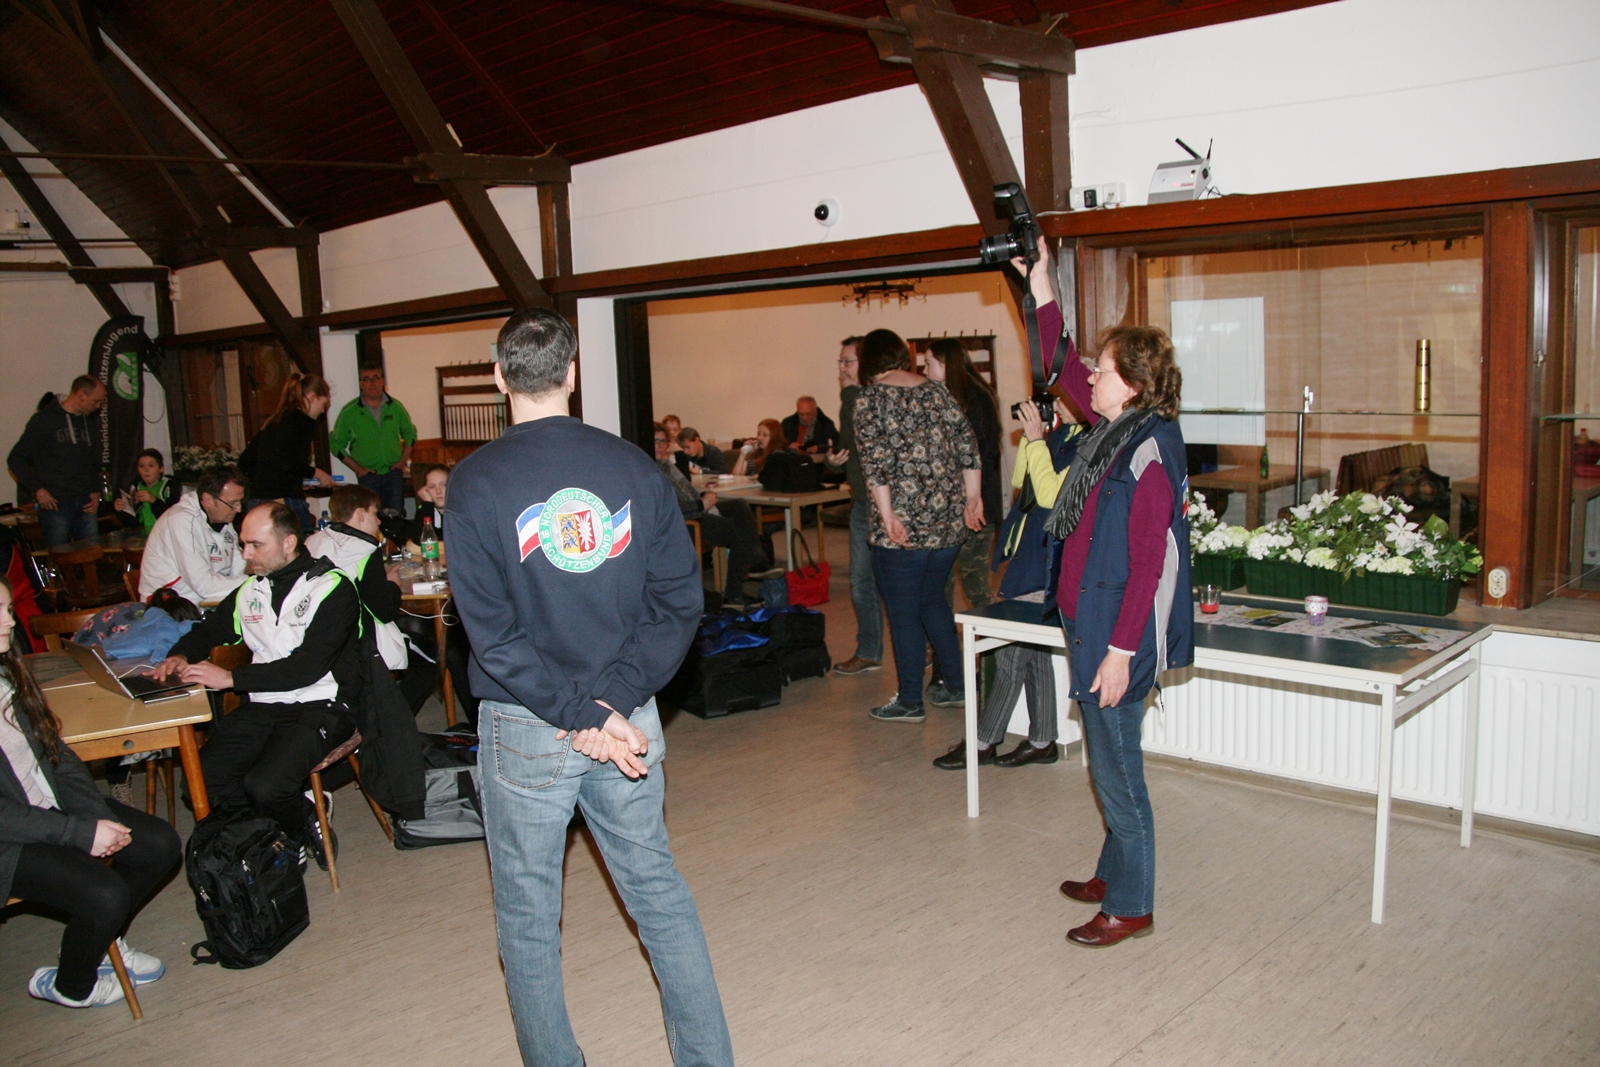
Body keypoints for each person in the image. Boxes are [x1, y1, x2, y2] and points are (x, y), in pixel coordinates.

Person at [448, 307, 734, 1067]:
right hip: (626, 715)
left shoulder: (474, 483)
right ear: (572, 374)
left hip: (530, 723)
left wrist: (584, 712)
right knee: (658, 895)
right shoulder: (635, 468)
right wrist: (609, 704)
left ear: (499, 376)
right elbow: (680, 603)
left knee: (529, 921)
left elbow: (491, 634)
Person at [1018, 240, 1193, 949]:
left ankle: (1131, 904)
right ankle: (1112, 870)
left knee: (1118, 772)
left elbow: (1148, 567)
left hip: (1116, 632)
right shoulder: (1117, 429)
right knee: (1109, 757)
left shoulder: (1148, 451)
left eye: (1105, 369)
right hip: (1088, 618)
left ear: (1135, 385)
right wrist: (1041, 283)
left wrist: (1121, 653)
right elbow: (1060, 362)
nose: (1091, 377)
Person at [148, 503, 364, 869]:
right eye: (243, 545)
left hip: (323, 703)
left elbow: (305, 669)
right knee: (204, 781)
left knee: (266, 785)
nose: (246, 555)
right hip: (264, 704)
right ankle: (276, 827)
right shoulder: (251, 590)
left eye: (256, 545)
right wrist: (180, 655)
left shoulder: (332, 588)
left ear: (288, 543)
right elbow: (208, 631)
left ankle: (292, 835)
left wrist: (230, 678)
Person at [0, 576, 181, 1008]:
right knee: (106, 894)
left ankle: (98, 941)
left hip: (45, 810)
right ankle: (71, 985)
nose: (9, 621)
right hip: (8, 837)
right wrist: (79, 834)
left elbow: (55, 751)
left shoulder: (6, 671)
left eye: (7, 609)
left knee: (159, 845)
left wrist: (92, 816)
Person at [933, 397, 1081, 771]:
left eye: (1063, 397)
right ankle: (1043, 740)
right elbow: (1021, 481)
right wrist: (1036, 438)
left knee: (1011, 651)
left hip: (1053, 557)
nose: (1056, 403)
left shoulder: (1088, 443)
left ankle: (983, 741)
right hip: (1031, 552)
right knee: (1033, 649)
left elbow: (1051, 497)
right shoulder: (1060, 434)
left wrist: (1036, 440)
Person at [853, 328, 983, 723]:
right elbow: (968, 448)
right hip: (947, 523)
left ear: (868, 360)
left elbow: (874, 464)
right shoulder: (937, 392)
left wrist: (888, 515)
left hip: (902, 529)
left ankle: (910, 700)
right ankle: (957, 686)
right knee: (932, 602)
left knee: (904, 613)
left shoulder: (869, 399)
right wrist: (973, 498)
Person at [654, 423, 775, 609]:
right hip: (681, 522)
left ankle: (757, 560)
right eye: (656, 441)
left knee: (739, 505)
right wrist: (700, 504)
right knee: (736, 531)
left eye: (663, 442)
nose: (661, 446)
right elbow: (666, 508)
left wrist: (703, 499)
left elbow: (686, 493)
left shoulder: (666, 465)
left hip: (694, 510)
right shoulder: (650, 471)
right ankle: (734, 594)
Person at [924, 339, 1002, 611]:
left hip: (975, 504)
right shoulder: (947, 396)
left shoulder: (976, 399)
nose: (924, 371)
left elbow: (973, 455)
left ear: (946, 365)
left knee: (975, 585)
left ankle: (994, 638)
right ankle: (943, 639)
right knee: (939, 585)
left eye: (929, 364)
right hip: (948, 506)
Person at [825, 336, 882, 676]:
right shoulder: (850, 400)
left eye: (848, 362)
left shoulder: (865, 398)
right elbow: (849, 450)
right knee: (861, 582)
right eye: (840, 362)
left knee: (894, 584)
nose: (842, 368)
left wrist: (848, 394)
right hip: (862, 502)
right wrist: (833, 462)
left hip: (885, 504)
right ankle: (870, 651)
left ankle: (924, 648)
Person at [7, 375, 107, 547]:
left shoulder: (88, 423)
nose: (98, 406)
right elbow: (16, 459)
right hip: (56, 503)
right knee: (58, 554)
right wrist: (37, 490)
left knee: (91, 553)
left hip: (85, 502)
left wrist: (96, 491)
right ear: (81, 395)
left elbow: (93, 462)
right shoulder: (44, 420)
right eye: (96, 401)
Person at [238, 372, 336, 531]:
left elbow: (246, 461)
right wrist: (318, 473)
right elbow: (288, 462)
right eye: (323, 404)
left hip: (257, 501)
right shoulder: (303, 421)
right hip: (284, 502)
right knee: (303, 543)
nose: (322, 411)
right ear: (312, 398)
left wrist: (293, 480)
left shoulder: (274, 420)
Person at [138, 466, 249, 605]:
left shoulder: (222, 517)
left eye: (240, 502)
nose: (238, 509)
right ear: (207, 500)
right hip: (168, 608)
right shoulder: (180, 521)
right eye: (233, 503)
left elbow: (239, 569)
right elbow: (204, 586)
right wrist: (253, 581)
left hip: (203, 602)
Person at [330, 365, 416, 512]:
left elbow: (411, 434)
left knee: (395, 516)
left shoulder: (396, 407)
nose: (372, 383)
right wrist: (357, 469)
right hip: (368, 477)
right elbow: (335, 444)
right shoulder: (350, 411)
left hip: (393, 475)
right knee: (369, 517)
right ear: (361, 384)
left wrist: (402, 461)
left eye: (376, 378)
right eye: (367, 379)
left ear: (382, 381)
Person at [112, 449, 179, 534]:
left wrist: (153, 500)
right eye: (141, 466)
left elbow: (172, 516)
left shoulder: (170, 485)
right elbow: (133, 523)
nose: (146, 470)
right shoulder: (136, 487)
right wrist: (121, 511)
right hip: (144, 534)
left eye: (151, 466)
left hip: (166, 533)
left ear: (161, 468)